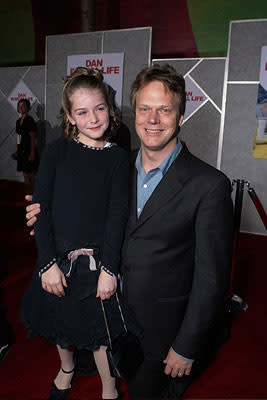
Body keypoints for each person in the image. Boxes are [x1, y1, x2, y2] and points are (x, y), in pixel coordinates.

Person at [25, 64, 233, 398]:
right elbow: (80, 209)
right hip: (101, 311)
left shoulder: (210, 186)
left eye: (164, 110)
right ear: (133, 113)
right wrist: (42, 215)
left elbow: (212, 279)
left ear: (180, 116)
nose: (153, 120)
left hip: (159, 335)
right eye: (145, 109)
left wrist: (186, 346)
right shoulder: (118, 164)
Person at [21, 67, 141, 400]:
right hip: (56, 258)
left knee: (99, 333)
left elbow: (117, 215)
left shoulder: (118, 158)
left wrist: (109, 268)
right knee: (61, 325)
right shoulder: (57, 152)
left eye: (100, 108)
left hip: (96, 263)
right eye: (83, 111)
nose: (93, 117)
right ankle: (67, 368)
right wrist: (46, 264)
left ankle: (108, 386)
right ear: (71, 117)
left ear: (110, 109)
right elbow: (40, 211)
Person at [12, 99, 39, 194]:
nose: (21, 107)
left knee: (31, 175)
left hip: (28, 150)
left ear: (28, 108)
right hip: (21, 151)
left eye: (23, 106)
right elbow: (18, 137)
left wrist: (32, 153)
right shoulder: (18, 121)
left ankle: (35, 196)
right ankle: (28, 195)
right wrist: (16, 150)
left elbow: (32, 138)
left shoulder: (30, 120)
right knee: (25, 175)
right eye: (19, 106)